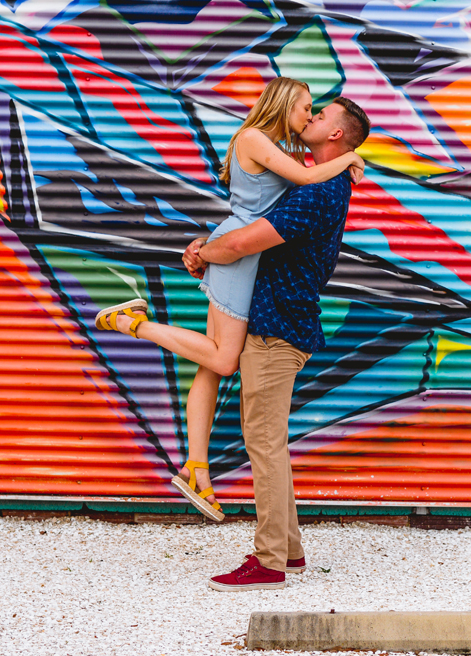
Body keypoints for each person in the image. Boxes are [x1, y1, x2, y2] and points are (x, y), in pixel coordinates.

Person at [94, 78, 364, 523]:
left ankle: (196, 466)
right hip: (239, 257)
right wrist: (352, 158)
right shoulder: (256, 138)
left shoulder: (278, 146)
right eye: (306, 108)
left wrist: (346, 156)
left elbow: (299, 176)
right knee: (223, 360)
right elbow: (304, 178)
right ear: (284, 104)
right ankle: (132, 323)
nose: (309, 116)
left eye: (317, 112)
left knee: (210, 362)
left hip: (242, 253)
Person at [185, 96, 371, 591]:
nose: (310, 117)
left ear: (337, 135)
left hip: (276, 329)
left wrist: (205, 252)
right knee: (271, 444)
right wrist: (210, 246)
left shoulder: (319, 190)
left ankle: (268, 563)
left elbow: (246, 242)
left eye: (321, 114)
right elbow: (245, 226)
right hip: (279, 324)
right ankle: (288, 550)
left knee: (263, 444)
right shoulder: (310, 181)